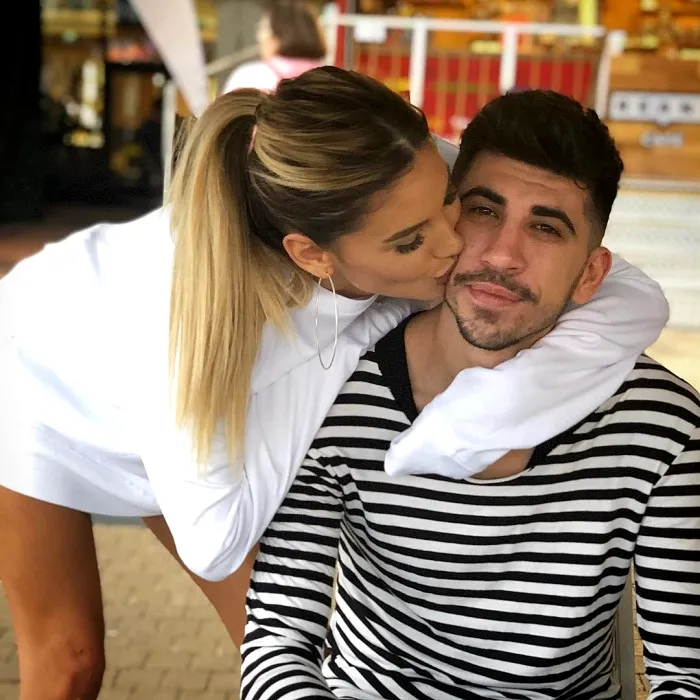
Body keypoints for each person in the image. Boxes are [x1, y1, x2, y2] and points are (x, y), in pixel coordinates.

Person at [0, 68, 666, 700]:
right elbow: (215, 542)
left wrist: (472, 416)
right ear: (314, 255)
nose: (456, 247)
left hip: (188, 420)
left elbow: (634, 297)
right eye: (409, 242)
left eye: (450, 203)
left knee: (264, 638)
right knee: (69, 661)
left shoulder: (393, 169)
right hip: (38, 378)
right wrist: (353, 341)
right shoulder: (192, 330)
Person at [240, 90, 700, 700]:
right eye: (483, 211)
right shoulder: (331, 393)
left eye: (546, 227)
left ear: (591, 274)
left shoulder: (661, 425)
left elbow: (685, 675)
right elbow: (276, 641)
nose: (503, 255)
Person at [221, 0, 326, 94]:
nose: (258, 37)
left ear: (277, 36)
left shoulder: (250, 77)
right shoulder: (328, 77)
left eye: (262, 28)